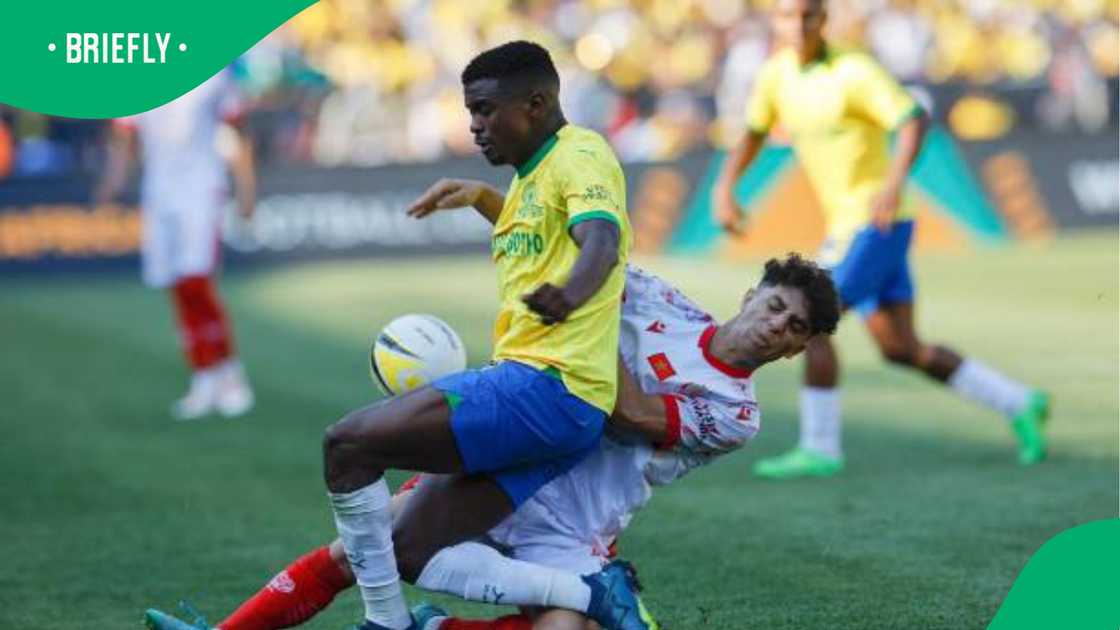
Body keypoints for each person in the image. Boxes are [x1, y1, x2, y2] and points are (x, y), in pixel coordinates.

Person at [142, 255, 842, 630]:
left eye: (792, 328)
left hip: (575, 522)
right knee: (360, 550)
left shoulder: (735, 414)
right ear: (752, 294)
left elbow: (623, 413)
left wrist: (581, 338)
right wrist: (495, 205)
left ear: (796, 350)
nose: (773, 325)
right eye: (774, 305)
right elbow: (575, 263)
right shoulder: (669, 306)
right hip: (515, 460)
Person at [319, 41, 642, 630]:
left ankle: (384, 624)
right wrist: (484, 198)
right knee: (409, 550)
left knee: (348, 445)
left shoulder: (581, 154)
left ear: (538, 104)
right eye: (471, 112)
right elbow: (546, 229)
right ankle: (589, 593)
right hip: (565, 410)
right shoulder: (532, 174)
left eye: (486, 110)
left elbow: (601, 240)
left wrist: (570, 295)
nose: (474, 126)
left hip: (546, 386)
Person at [712, 0, 1050, 480]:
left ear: (822, 19)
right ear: (775, 21)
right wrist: (725, 186)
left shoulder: (853, 70)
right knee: (901, 348)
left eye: (807, 15)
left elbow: (914, 119)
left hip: (876, 223)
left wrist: (891, 187)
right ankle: (1021, 403)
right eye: (787, 16)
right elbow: (753, 131)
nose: (797, 25)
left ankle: (820, 448)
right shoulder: (775, 75)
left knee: (808, 319)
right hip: (851, 228)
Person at [96, 68, 256, 420]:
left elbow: (240, 129)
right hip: (159, 194)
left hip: (201, 188)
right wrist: (113, 183)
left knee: (196, 281)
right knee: (176, 286)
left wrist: (246, 189)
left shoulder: (213, 74)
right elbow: (124, 135)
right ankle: (204, 374)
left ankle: (228, 374)